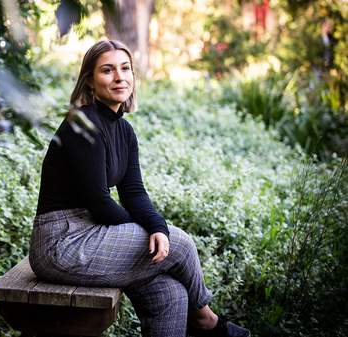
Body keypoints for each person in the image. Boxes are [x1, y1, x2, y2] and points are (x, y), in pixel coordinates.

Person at [28, 40, 250, 337]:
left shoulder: (125, 131)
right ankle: (207, 320)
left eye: (125, 68)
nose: (119, 77)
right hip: (62, 243)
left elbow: (133, 192)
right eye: (107, 70)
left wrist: (155, 226)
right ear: (90, 82)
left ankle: (198, 316)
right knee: (180, 244)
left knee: (171, 296)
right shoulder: (83, 123)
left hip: (93, 234)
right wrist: (145, 232)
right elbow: (98, 200)